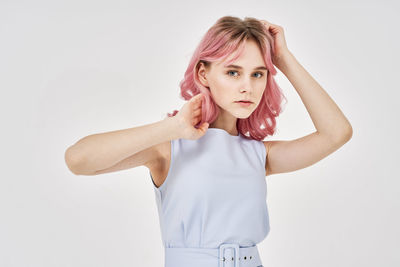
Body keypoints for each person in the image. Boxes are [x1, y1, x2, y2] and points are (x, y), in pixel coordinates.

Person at [65, 16, 353, 267]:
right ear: (204, 73)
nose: (247, 86)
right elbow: (78, 160)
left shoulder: (258, 155)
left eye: (258, 74)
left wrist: (283, 59)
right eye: (232, 72)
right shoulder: (168, 147)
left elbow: (336, 133)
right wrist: (171, 128)